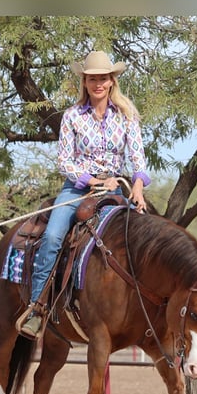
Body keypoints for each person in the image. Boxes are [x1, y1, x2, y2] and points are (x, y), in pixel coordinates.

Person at [20, 50, 151, 338]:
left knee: (147, 234)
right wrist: (90, 180)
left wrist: (139, 187)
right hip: (78, 189)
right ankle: (37, 306)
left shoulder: (127, 116)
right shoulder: (72, 117)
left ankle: (148, 306)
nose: (98, 84)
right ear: (85, 82)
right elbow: (64, 161)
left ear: (112, 81)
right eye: (92, 79)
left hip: (117, 186)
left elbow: (138, 159)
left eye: (103, 78)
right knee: (53, 235)